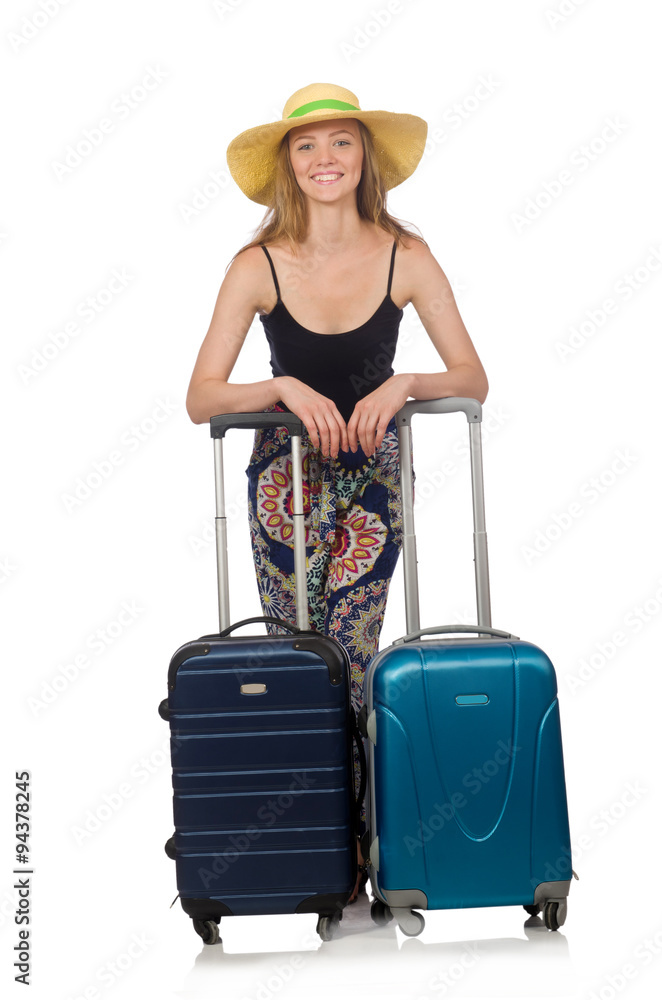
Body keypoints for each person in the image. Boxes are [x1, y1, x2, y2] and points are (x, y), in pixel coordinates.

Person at [186, 83, 488, 903]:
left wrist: (405, 383)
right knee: (297, 657)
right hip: (283, 482)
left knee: (354, 656)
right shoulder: (256, 265)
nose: (325, 159)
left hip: (372, 483)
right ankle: (308, 844)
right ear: (289, 163)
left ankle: (358, 843)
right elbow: (201, 397)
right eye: (307, 145)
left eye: (342, 142)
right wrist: (280, 386)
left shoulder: (405, 255)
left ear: (364, 157)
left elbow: (473, 377)